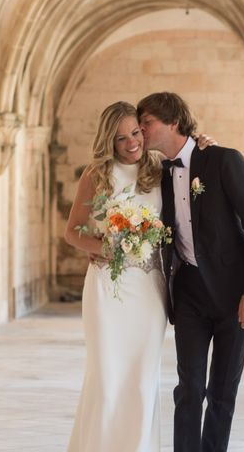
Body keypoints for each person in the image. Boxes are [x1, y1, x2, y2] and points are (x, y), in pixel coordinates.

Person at [64, 101, 214, 452]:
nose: (131, 143)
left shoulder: (160, 167)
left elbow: (191, 172)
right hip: (107, 288)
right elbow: (72, 232)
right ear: (109, 142)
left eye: (135, 133)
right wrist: (105, 248)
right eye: (121, 139)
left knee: (142, 380)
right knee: (107, 378)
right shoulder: (96, 174)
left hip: (149, 291)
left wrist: (203, 143)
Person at [137, 92, 244, 452]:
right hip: (189, 295)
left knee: (223, 392)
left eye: (147, 122)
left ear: (173, 123)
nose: (141, 129)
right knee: (189, 389)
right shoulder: (157, 175)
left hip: (234, 296)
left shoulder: (224, 161)